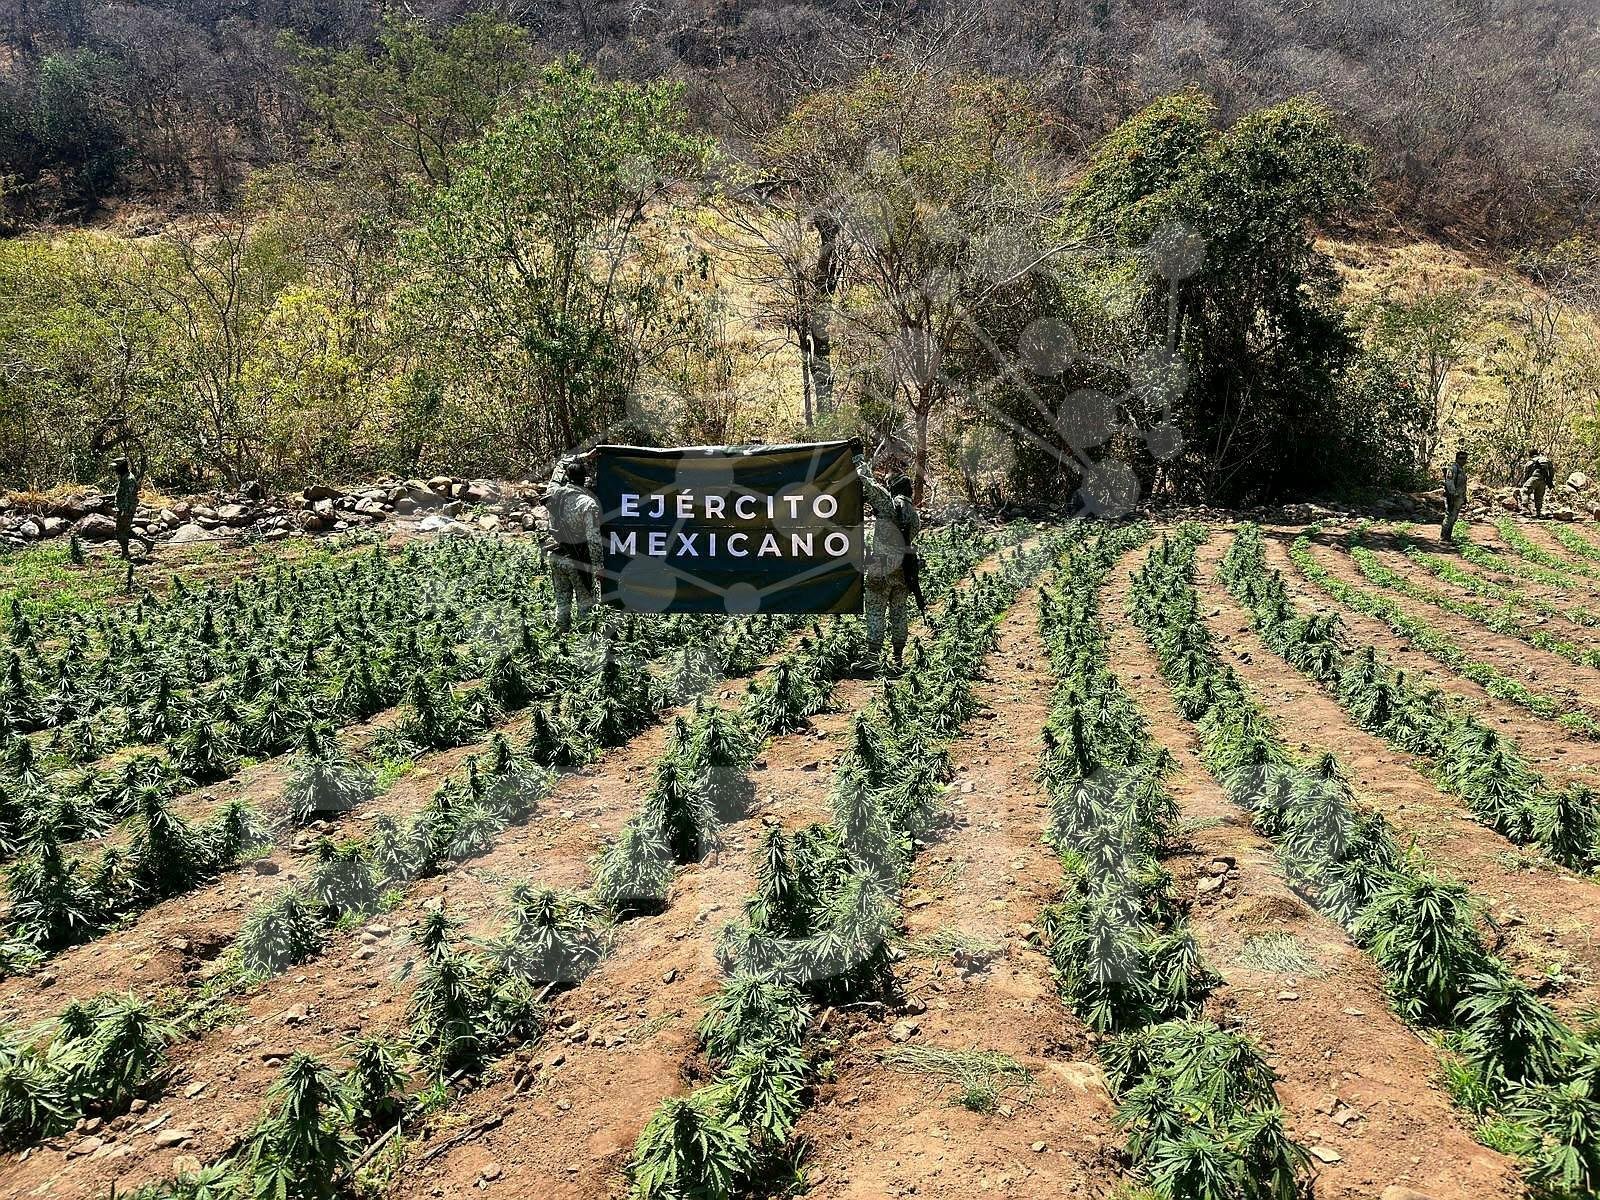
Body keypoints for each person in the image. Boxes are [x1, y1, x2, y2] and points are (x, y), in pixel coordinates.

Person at [854, 448, 921, 671]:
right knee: (899, 612)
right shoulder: (914, 515)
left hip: (881, 566)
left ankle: (872, 658)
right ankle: (898, 659)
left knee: (875, 611)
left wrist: (858, 459)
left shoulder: (889, 504)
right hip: (903, 569)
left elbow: (867, 484)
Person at [541, 451, 603, 633]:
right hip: (578, 560)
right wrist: (599, 567)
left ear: (567, 476)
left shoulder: (552, 495)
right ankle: (583, 645)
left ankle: (561, 639)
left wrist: (585, 455)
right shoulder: (587, 504)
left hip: (556, 556)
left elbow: (561, 463)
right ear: (584, 480)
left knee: (562, 603)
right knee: (585, 604)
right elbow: (594, 539)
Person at [111, 457, 153, 562]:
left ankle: (125, 554)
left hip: (126, 509)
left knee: (120, 532)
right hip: (123, 508)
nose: (115, 470)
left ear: (122, 467)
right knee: (126, 530)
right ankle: (147, 542)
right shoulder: (124, 477)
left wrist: (123, 511)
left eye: (116, 468)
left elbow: (129, 497)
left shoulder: (129, 479)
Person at [1441, 448, 1468, 542]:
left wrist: (1464, 497)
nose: (1463, 460)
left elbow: (1462, 485)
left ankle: (1448, 538)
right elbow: (1449, 482)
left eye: (1465, 458)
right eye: (1461, 458)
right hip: (1452, 497)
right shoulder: (1453, 468)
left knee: (1454, 518)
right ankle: (1444, 538)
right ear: (1457, 459)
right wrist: (1452, 495)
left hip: (1459, 497)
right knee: (1449, 517)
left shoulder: (1461, 470)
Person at [1520, 448, 1554, 517]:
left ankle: (1525, 509)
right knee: (1539, 496)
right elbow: (1551, 471)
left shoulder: (1530, 462)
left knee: (1525, 491)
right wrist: (1549, 481)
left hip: (1534, 478)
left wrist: (1525, 482)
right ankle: (1538, 512)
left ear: (1530, 454)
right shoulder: (1546, 460)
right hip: (1543, 480)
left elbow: (1526, 474)